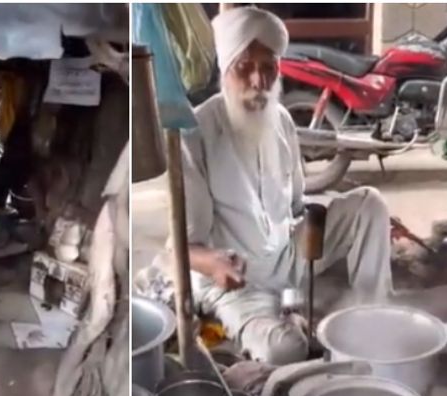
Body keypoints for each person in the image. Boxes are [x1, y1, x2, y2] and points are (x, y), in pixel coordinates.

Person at [159, 7, 393, 365]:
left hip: (289, 254)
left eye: (269, 68)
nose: (258, 81)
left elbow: (297, 206)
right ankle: (287, 322)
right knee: (285, 349)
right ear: (225, 70)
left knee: (369, 203)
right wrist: (213, 262)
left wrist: (338, 220)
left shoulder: (281, 120)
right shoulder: (196, 132)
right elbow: (184, 246)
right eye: (244, 67)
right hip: (239, 281)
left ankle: (372, 320)